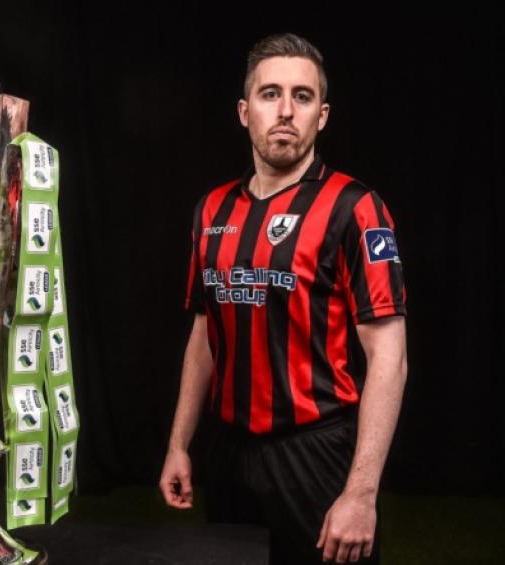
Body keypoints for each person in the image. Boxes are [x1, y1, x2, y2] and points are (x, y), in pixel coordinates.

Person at [158, 33, 407, 565]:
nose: (286, 110)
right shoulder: (212, 210)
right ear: (245, 112)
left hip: (315, 452)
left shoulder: (355, 207)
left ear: (322, 115)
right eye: (271, 94)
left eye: (303, 96)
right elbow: (205, 335)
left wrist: (361, 493)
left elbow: (390, 357)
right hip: (227, 453)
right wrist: (180, 443)